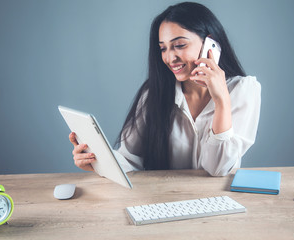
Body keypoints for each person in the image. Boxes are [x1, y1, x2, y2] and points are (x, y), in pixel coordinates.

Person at [69, 2, 261, 176]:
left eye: (179, 45)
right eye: (163, 48)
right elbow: (129, 159)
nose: (170, 58)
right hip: (167, 202)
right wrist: (97, 161)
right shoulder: (154, 94)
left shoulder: (244, 90)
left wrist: (221, 101)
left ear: (210, 44)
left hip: (220, 204)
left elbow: (218, 169)